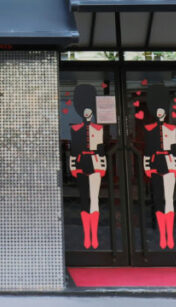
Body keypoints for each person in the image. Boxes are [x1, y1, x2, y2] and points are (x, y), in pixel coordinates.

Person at [68, 84, 106, 249]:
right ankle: (87, 235)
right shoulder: (75, 129)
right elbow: (73, 150)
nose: (86, 112)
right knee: (85, 199)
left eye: (88, 109)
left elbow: (101, 150)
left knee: (94, 200)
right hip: (81, 164)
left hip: (95, 163)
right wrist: (73, 167)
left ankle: (94, 235)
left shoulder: (98, 129)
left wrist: (102, 167)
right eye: (84, 109)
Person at [142, 90, 176, 250]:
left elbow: (174, 149)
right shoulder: (149, 129)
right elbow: (147, 150)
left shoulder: (172, 128)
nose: (160, 113)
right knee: (158, 199)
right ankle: (161, 233)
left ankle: (170, 235)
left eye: (162, 110)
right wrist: (147, 167)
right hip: (155, 164)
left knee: (169, 199)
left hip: (169, 163)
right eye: (157, 110)